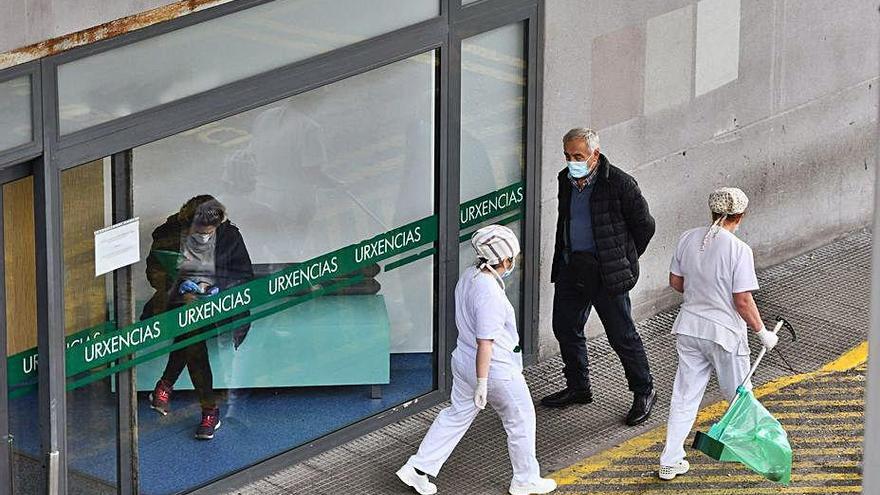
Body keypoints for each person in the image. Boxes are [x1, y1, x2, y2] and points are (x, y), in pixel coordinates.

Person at [396, 225, 556, 495]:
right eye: (512, 258)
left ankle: (418, 468)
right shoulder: (490, 294)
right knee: (520, 419)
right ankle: (525, 479)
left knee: (456, 415)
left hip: (463, 361)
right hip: (494, 370)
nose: (514, 262)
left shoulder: (469, 276)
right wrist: (483, 383)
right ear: (504, 260)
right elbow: (486, 343)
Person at [657, 187, 778, 480]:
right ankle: (760, 454)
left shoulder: (688, 238)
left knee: (684, 396)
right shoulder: (739, 250)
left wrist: (702, 294)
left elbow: (676, 282)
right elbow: (742, 300)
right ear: (740, 216)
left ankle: (670, 460)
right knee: (740, 395)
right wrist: (763, 333)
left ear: (712, 211)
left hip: (689, 328)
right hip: (724, 336)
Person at [542, 127, 657, 427]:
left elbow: (644, 226)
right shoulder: (565, 180)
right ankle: (579, 388)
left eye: (578, 156)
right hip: (571, 267)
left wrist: (621, 259)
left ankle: (644, 390)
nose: (572, 161)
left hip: (606, 273)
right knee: (565, 327)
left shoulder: (619, 184)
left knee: (622, 335)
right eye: (567, 156)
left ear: (595, 153)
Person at [143, 195, 254, 440]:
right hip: (179, 302)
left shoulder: (229, 236)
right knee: (193, 335)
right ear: (187, 221)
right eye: (199, 231)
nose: (205, 235)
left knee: (192, 335)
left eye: (210, 231)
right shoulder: (168, 234)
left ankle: (166, 385)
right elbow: (154, 272)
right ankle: (209, 410)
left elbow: (245, 274)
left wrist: (219, 290)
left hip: (218, 303)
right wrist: (179, 287)